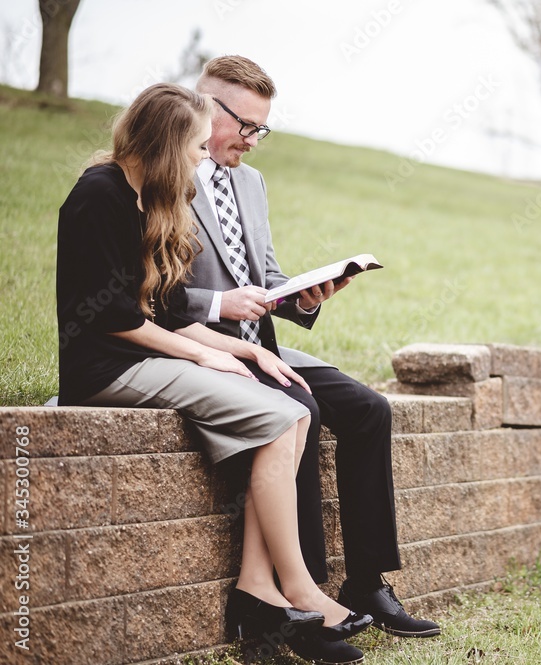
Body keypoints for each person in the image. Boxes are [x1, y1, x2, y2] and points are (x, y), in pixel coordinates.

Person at [57, 83, 372, 665]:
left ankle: (259, 588)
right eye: (198, 147)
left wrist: (248, 354)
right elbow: (111, 317)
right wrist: (206, 354)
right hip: (106, 369)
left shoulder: (146, 199)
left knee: (292, 410)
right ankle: (294, 587)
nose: (205, 159)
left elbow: (170, 311)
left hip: (147, 355)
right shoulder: (98, 196)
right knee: (281, 417)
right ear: (170, 142)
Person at [183, 54, 441, 642]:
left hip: (265, 341)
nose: (252, 141)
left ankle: (366, 580)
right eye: (244, 126)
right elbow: (153, 293)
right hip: (207, 349)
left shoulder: (251, 182)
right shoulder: (169, 173)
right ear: (204, 105)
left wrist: (305, 297)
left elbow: (267, 276)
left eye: (261, 130)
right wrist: (220, 307)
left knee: (370, 409)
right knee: (303, 408)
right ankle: (307, 597)